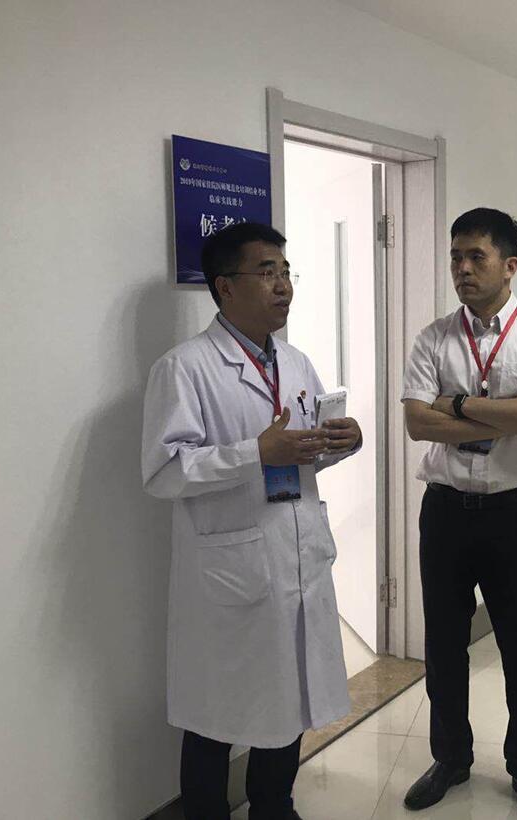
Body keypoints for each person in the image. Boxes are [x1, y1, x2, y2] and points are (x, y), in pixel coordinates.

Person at [141, 222, 363, 820]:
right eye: (266, 273)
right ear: (224, 286)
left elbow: (304, 448)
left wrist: (342, 442)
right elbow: (164, 472)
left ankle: (273, 806)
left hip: (296, 553)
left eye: (286, 272)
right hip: (231, 570)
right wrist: (253, 453)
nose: (282, 285)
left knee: (289, 696)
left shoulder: (296, 362)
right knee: (215, 711)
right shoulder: (184, 368)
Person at [401, 207, 517, 820]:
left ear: (510, 265)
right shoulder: (433, 337)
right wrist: (506, 412)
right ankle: (450, 758)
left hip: (511, 513)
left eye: (476, 256)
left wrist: (457, 405)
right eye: (456, 257)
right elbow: (417, 422)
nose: (463, 268)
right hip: (445, 511)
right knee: (445, 644)